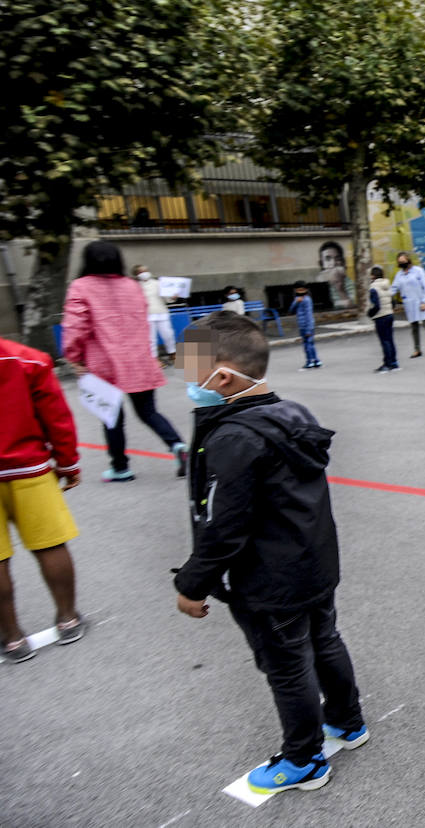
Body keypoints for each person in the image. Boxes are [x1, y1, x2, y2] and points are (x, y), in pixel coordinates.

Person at [173, 312, 367, 794]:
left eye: (190, 366)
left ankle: (303, 759)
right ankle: (346, 721)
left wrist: (192, 583)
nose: (184, 376)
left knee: (286, 664)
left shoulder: (234, 436)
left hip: (272, 579)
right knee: (323, 640)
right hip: (314, 563)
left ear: (221, 375)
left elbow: (224, 525)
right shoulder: (292, 413)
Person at [62, 241, 189, 482]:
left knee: (111, 416)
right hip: (138, 358)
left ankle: (120, 467)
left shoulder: (80, 287)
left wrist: (75, 357)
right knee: (149, 411)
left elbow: (75, 326)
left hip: (103, 362)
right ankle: (177, 445)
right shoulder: (132, 286)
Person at [0, 336, 85, 663]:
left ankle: (11, 638)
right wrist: (68, 463)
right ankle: (68, 618)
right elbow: (56, 416)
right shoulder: (28, 360)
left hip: (25, 467)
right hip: (29, 468)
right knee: (50, 544)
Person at [392, 252, 425, 358]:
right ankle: (417, 349)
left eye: (403, 261)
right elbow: (394, 288)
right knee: (414, 327)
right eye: (400, 262)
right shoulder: (399, 274)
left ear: (408, 260)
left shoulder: (418, 271)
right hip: (409, 304)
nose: (402, 263)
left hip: (421, 302)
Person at [135, 265, 175, 363]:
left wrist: (172, 297)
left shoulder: (158, 283)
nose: (144, 273)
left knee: (168, 334)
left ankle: (172, 353)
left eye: (145, 271)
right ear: (136, 274)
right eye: (141, 272)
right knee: (150, 338)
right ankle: (154, 358)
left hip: (161, 312)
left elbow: (167, 298)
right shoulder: (135, 286)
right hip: (146, 315)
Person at [365, 266, 399, 373]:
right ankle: (394, 363)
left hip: (380, 317)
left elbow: (376, 305)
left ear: (373, 276)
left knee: (384, 341)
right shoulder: (387, 285)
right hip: (389, 315)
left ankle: (387, 364)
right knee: (390, 339)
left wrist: (370, 314)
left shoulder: (373, 288)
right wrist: (389, 310)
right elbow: (393, 302)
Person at [290, 281, 321, 370]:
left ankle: (309, 361)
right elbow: (291, 310)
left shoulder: (307, 300)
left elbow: (308, 315)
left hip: (307, 325)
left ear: (305, 290)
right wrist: (296, 302)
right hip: (302, 325)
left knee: (308, 344)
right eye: (298, 290)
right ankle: (316, 360)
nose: (299, 291)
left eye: (301, 289)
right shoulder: (297, 299)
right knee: (309, 343)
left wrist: (308, 329)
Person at [317, 241, 354, 309]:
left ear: (343, 262)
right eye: (328, 259)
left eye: (337, 259)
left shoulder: (349, 282)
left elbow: (351, 306)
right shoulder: (320, 283)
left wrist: (340, 289)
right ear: (322, 264)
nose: (333, 263)